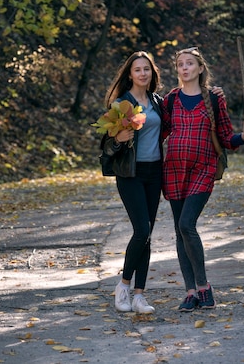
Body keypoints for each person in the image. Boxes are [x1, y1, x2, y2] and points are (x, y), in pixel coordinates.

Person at [162, 46, 244, 312]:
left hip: (203, 169)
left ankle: (204, 288)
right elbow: (158, 132)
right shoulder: (170, 100)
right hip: (174, 170)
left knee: (186, 224)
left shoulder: (214, 99)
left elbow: (227, 138)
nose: (185, 68)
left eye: (190, 63)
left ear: (200, 68)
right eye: (180, 64)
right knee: (180, 232)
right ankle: (190, 292)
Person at [100, 51, 164, 314]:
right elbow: (106, 147)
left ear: (152, 73)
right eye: (137, 69)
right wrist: (119, 139)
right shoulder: (121, 104)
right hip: (131, 174)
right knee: (142, 230)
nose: (142, 73)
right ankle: (123, 286)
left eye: (146, 69)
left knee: (147, 236)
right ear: (130, 74)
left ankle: (139, 296)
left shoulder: (158, 102)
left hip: (155, 173)